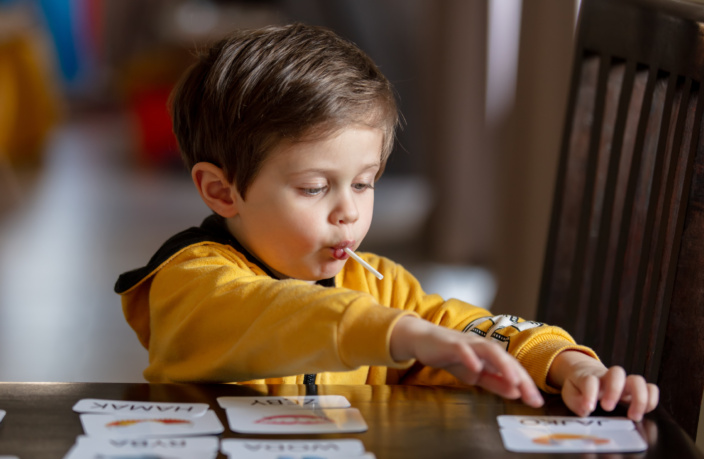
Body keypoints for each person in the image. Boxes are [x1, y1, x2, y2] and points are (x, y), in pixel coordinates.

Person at [115, 23, 658, 421]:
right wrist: (401, 333)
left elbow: (464, 330)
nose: (348, 210)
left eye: (364, 182)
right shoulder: (188, 283)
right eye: (314, 187)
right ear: (221, 190)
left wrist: (563, 363)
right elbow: (268, 313)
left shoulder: (378, 285)